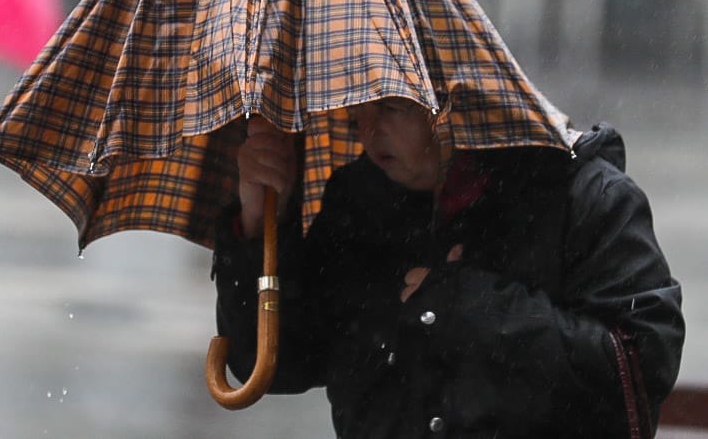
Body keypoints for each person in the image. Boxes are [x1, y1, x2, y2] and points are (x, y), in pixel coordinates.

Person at [213, 98, 684, 438]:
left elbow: (634, 381)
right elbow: (277, 364)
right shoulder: (360, 199)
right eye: (361, 107)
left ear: (450, 97)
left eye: (392, 107)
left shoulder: (581, 195)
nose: (367, 129)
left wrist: (465, 302)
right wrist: (260, 224)